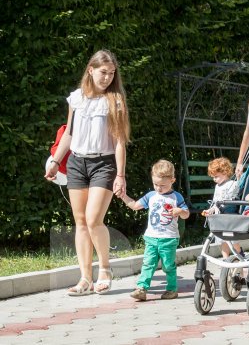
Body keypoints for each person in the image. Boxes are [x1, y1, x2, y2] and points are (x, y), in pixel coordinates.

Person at [44, 49, 130, 296]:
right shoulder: (76, 99)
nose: (107, 78)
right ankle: (85, 278)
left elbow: (119, 143)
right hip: (76, 164)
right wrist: (54, 160)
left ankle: (104, 268)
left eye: (112, 74)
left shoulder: (114, 101)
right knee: (80, 221)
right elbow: (68, 134)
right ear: (90, 70)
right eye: (103, 72)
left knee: (93, 219)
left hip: (104, 164)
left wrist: (120, 175)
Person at [119, 160, 190, 301]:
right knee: (148, 264)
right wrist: (123, 196)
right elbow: (135, 205)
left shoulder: (176, 197)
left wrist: (180, 210)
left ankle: (171, 289)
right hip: (151, 237)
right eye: (155, 184)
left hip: (169, 239)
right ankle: (141, 288)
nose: (158, 188)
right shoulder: (151, 196)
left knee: (168, 266)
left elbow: (186, 214)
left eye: (162, 185)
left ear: (172, 180)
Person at [201, 157, 242, 259]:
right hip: (219, 216)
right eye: (213, 177)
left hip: (230, 216)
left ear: (225, 172)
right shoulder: (217, 186)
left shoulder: (233, 184)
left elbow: (233, 199)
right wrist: (210, 210)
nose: (214, 179)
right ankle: (225, 258)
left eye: (216, 176)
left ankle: (240, 255)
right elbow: (216, 202)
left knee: (233, 239)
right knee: (221, 239)